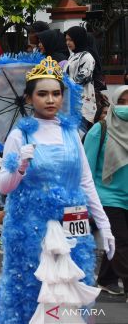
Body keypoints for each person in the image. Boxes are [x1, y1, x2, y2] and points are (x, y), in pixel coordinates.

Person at [0, 56, 115, 323]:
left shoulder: (72, 133)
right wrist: (21, 165)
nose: (50, 100)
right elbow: (4, 187)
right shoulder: (19, 136)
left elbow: (85, 181)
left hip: (74, 220)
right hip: (30, 226)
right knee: (30, 291)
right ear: (28, 98)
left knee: (74, 284)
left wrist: (104, 225)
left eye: (56, 94)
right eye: (43, 94)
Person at [84, 85, 128, 297]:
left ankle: (106, 279)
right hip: (108, 197)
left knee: (120, 242)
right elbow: (86, 169)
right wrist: (87, 202)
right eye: (122, 102)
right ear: (113, 104)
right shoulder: (99, 130)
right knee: (122, 241)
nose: (126, 107)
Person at [64, 26, 97, 134]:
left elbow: (82, 79)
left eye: (71, 39)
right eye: (67, 40)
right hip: (71, 103)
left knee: (80, 136)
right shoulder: (73, 56)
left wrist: (63, 83)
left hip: (82, 104)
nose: (68, 43)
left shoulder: (87, 57)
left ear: (79, 39)